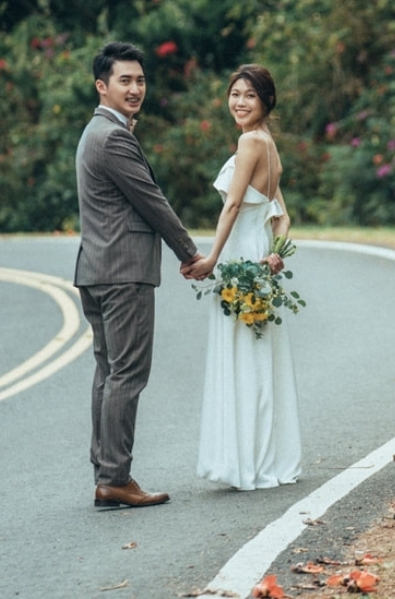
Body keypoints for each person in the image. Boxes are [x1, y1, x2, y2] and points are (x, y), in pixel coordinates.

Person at [74, 41, 206, 509]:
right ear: (102, 86)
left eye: (140, 80)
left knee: (109, 371)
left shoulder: (96, 131)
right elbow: (151, 200)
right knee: (126, 373)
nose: (135, 88)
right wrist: (190, 253)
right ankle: (114, 476)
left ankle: (107, 471)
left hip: (97, 268)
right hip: (123, 273)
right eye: (124, 80)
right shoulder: (112, 137)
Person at [187, 64, 302, 490]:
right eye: (235, 93)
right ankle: (262, 457)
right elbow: (283, 217)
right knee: (258, 358)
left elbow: (232, 207)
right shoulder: (269, 146)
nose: (239, 102)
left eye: (249, 95)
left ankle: (245, 462)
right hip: (257, 260)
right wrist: (274, 254)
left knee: (242, 358)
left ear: (266, 102)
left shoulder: (250, 142)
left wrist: (212, 259)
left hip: (239, 260)